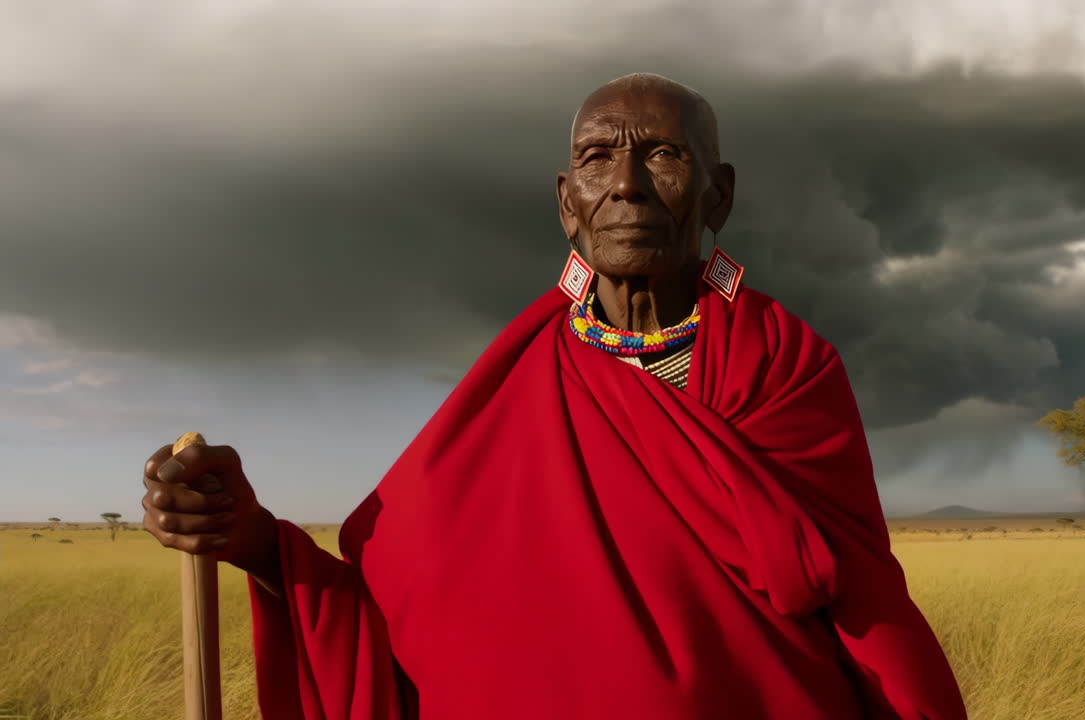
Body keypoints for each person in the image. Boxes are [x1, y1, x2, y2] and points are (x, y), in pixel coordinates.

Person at [141, 73, 968, 720]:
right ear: (567, 203)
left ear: (718, 194)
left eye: (663, 154)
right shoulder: (513, 385)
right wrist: (252, 539)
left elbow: (865, 610)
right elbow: (399, 615)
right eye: (598, 157)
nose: (627, 184)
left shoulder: (786, 369)